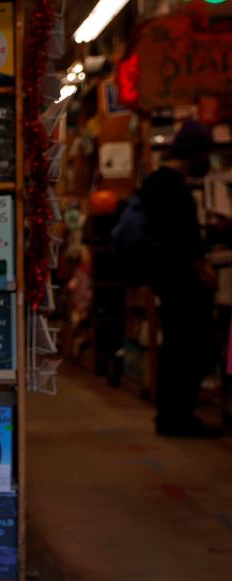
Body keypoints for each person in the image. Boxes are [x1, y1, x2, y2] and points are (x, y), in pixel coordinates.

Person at [139, 120, 219, 437]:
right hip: (181, 280)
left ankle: (172, 414)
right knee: (194, 346)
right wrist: (202, 268)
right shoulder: (172, 187)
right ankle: (178, 414)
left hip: (166, 278)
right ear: (195, 152)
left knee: (177, 346)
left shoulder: (155, 183)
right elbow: (181, 237)